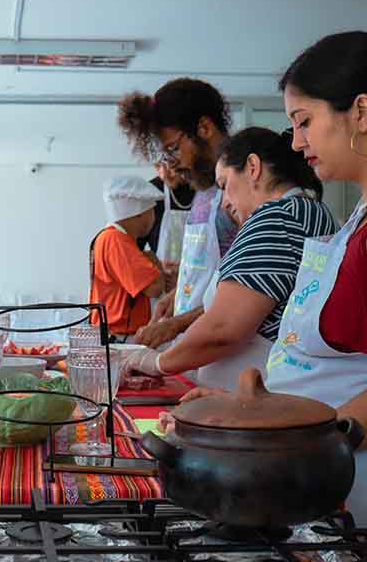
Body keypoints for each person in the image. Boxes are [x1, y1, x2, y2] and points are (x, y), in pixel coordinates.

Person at [179, 31, 367, 560]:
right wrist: (257, 411)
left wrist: (308, 442)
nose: (294, 142)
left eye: (304, 121)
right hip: (363, 462)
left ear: (360, 112)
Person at [122, 127, 337, 391]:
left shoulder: (277, 218)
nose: (224, 203)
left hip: (259, 394)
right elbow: (255, 298)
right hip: (256, 394)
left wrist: (154, 361)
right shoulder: (307, 210)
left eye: (224, 185)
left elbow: (224, 329)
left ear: (253, 167)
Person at [117, 79, 240, 356]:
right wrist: (176, 298)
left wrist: (176, 324)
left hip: (227, 359)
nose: (171, 163)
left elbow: (244, 292)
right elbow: (210, 275)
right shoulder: (203, 190)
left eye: (173, 148)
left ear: (204, 128)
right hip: (194, 353)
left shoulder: (240, 190)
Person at [89, 175, 167, 341]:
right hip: (118, 338)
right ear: (139, 214)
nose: (153, 218)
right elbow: (155, 288)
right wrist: (154, 261)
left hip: (116, 336)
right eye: (152, 211)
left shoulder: (111, 238)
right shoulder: (116, 240)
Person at [136, 163, 194, 293]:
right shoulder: (151, 191)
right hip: (162, 286)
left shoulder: (205, 190)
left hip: (196, 284)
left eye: (170, 163)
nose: (164, 171)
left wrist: (183, 278)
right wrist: (157, 271)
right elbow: (134, 248)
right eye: (159, 165)